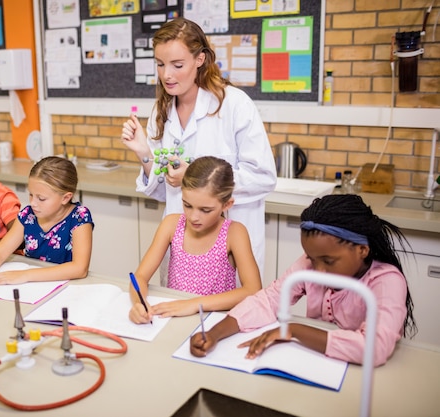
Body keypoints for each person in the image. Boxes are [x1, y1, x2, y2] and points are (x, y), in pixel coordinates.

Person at [121, 17, 277, 279]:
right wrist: (144, 154)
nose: (166, 74)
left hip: (228, 248)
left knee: (229, 316)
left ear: (200, 59)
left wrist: (193, 176)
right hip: (182, 250)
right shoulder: (161, 111)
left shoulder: (233, 104)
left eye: (177, 65)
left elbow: (264, 177)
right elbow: (164, 191)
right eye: (160, 64)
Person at [190, 194, 417, 366]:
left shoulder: (386, 281)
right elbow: (268, 301)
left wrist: (294, 330)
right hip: (314, 363)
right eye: (311, 258)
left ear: (362, 250)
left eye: (328, 261)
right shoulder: (312, 263)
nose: (317, 269)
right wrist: (214, 334)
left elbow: (374, 348)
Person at [129, 156, 261, 324]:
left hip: (214, 322)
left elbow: (253, 289)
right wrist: (139, 303)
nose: (193, 217)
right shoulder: (171, 224)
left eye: (205, 210)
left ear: (227, 204)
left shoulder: (234, 233)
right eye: (187, 205)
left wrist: (193, 305)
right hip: (174, 320)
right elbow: (140, 276)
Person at [0, 156, 93, 289]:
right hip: (31, 288)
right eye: (31, 195)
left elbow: (79, 268)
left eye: (41, 198)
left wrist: (25, 275)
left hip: (65, 288)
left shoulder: (79, 217)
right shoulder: (28, 215)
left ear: (65, 198)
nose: (33, 203)